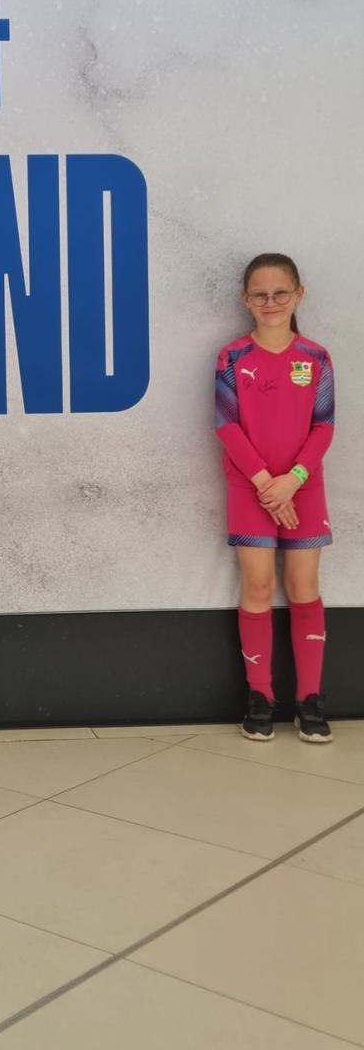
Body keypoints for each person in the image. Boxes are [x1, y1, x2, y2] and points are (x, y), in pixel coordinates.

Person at [214, 253, 335, 744]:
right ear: (246, 300)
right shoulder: (231, 358)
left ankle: (310, 700)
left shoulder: (317, 358)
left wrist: (293, 480)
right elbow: (227, 426)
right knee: (259, 587)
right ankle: (260, 696)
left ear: (298, 295)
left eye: (280, 293)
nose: (270, 302)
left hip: (303, 487)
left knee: (303, 586)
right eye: (260, 295)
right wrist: (268, 483)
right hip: (251, 487)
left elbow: (324, 426)